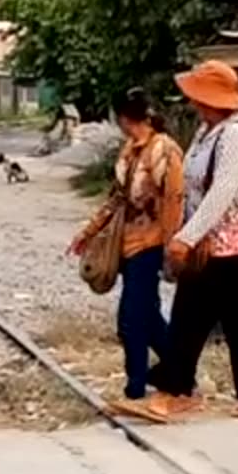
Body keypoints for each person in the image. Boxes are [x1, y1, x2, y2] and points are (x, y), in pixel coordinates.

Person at [149, 60, 238, 420]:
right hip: (206, 243)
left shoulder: (237, 137)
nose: (194, 104)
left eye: (199, 97)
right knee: (187, 316)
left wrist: (186, 237)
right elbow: (192, 187)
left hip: (237, 246)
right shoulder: (206, 133)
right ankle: (178, 387)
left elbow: (222, 194)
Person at [70, 88, 184, 410]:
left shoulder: (164, 150)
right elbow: (117, 199)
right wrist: (89, 232)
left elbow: (174, 200)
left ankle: (135, 388)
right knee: (148, 317)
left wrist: (172, 244)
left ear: (123, 118)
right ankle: (180, 376)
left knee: (131, 320)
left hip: (151, 244)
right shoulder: (130, 151)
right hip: (128, 244)